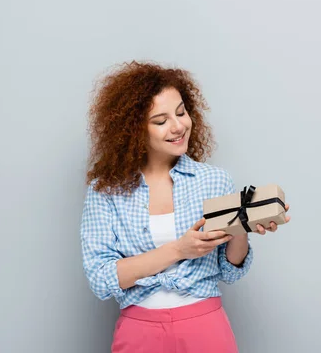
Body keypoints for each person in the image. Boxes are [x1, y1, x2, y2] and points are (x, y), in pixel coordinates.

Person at [80, 61, 291, 352]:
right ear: (134, 130)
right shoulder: (106, 190)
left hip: (205, 325)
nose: (179, 126)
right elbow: (101, 279)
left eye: (181, 112)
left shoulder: (214, 180)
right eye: (161, 120)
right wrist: (179, 250)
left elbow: (230, 271)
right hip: (139, 329)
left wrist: (241, 229)